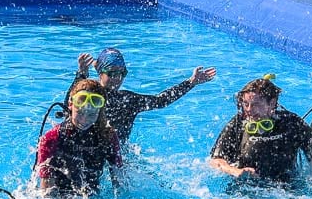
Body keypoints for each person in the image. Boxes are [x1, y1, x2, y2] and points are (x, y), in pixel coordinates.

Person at [68, 47, 217, 145]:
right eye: (112, 73)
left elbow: (161, 101)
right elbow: (68, 106)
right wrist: (81, 74)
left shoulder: (128, 100)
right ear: (100, 72)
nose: (117, 78)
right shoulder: (91, 96)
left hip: (118, 154)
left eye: (122, 73)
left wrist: (191, 82)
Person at [210, 75, 312, 183]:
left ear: (272, 103)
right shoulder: (237, 124)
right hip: (246, 190)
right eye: (245, 104)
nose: (249, 109)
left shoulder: (291, 122)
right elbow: (216, 160)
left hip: (288, 190)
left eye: (256, 104)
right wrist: (234, 171)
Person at [37, 78, 122, 197]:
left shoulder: (108, 137)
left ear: (99, 112)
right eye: (80, 113)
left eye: (91, 115)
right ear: (71, 105)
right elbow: (46, 192)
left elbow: (119, 182)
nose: (84, 120)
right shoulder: (52, 138)